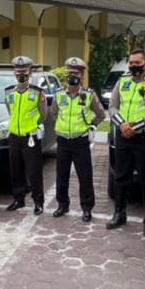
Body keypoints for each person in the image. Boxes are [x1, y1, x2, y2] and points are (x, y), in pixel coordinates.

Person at [107, 48, 145, 236]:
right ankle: (119, 213)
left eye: (137, 63)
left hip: (143, 137)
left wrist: (136, 126)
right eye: (131, 63)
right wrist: (122, 125)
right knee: (120, 176)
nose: (133, 66)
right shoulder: (122, 81)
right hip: (123, 136)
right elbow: (113, 106)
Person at [51, 57, 106, 221]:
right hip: (62, 141)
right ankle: (62, 205)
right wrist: (61, 125)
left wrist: (91, 125)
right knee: (61, 175)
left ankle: (87, 208)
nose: (72, 76)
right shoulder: (59, 94)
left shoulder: (89, 95)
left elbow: (101, 114)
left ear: (81, 76)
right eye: (70, 72)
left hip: (80, 141)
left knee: (85, 176)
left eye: (76, 73)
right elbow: (54, 113)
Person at [4, 55, 47, 215]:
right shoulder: (9, 92)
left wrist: (32, 126)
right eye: (18, 71)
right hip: (14, 136)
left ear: (30, 73)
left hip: (31, 137)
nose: (21, 74)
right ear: (14, 73)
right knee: (16, 170)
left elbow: (43, 115)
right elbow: (10, 111)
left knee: (34, 171)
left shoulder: (37, 93)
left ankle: (38, 202)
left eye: (25, 71)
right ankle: (18, 199)